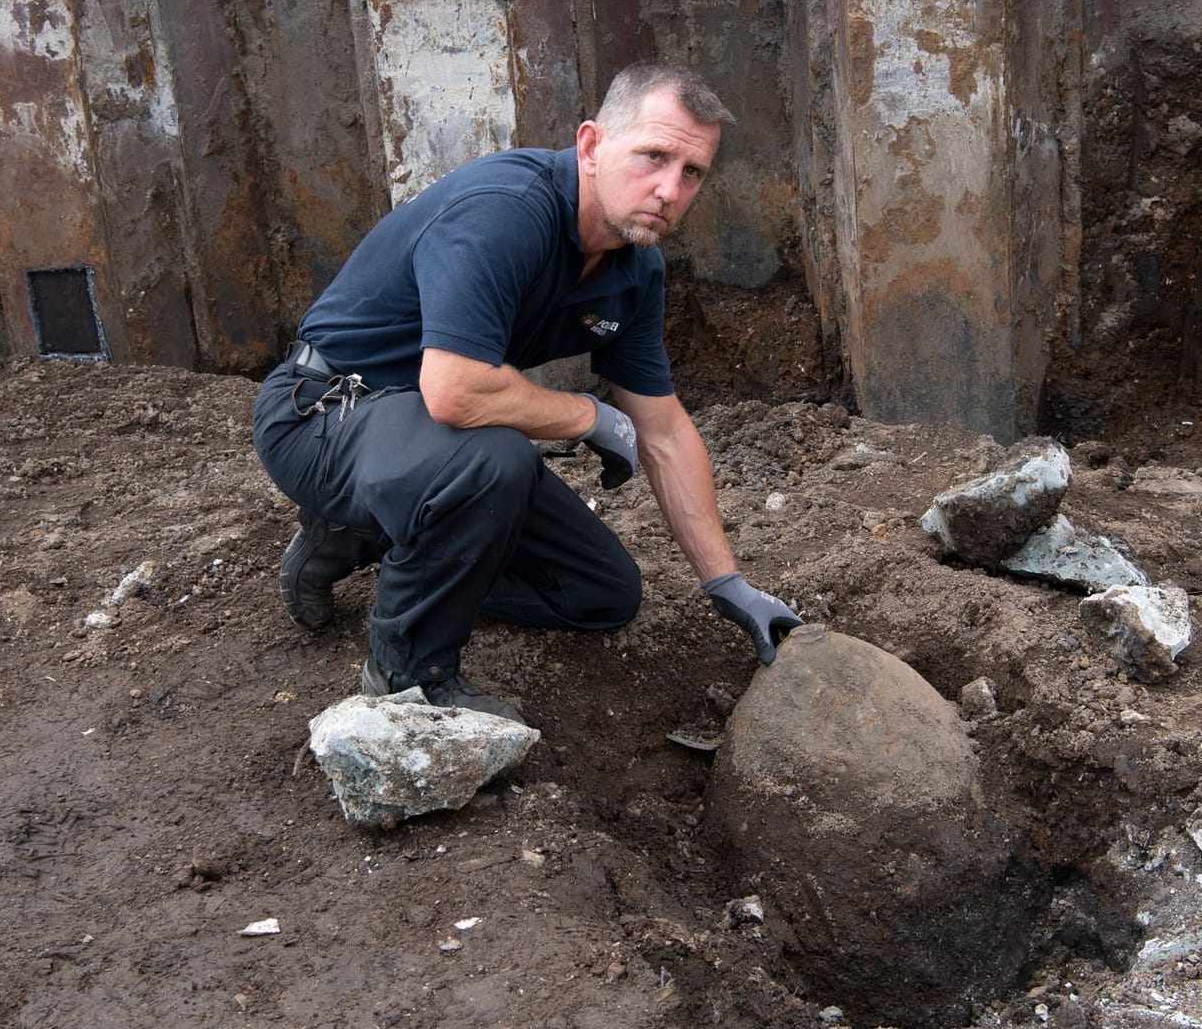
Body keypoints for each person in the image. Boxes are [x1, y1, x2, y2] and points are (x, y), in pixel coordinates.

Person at [251, 62, 802, 724]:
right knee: (495, 460)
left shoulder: (634, 270)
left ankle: (367, 539)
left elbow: (663, 431)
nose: (669, 189)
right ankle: (408, 675)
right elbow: (456, 392)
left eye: (692, 174)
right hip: (323, 411)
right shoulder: (508, 210)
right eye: (653, 156)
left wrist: (727, 583)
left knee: (601, 593)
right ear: (593, 145)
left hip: (422, 445)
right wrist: (587, 416)